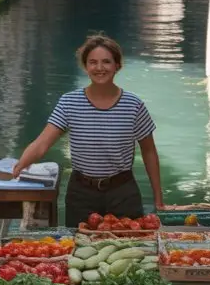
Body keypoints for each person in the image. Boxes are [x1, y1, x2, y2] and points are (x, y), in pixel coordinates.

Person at [13, 34, 163, 227]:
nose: (99, 68)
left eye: (106, 62)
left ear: (117, 65)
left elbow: (149, 151)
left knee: (130, 249)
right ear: (85, 67)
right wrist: (18, 167)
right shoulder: (69, 102)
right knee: (78, 250)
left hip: (123, 193)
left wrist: (158, 199)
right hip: (81, 194)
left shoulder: (133, 105)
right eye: (93, 62)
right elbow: (42, 144)